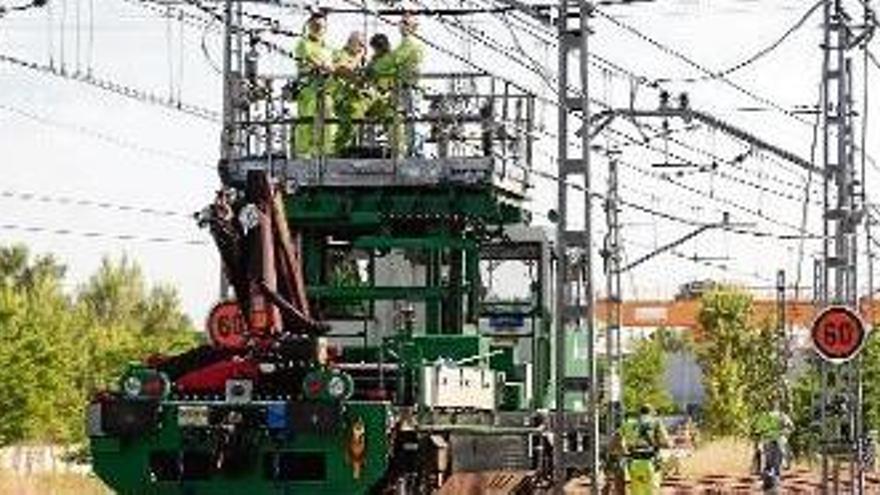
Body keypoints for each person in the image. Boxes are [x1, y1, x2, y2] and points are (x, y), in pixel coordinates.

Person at [293, 12, 334, 158]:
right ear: (309, 26)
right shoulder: (303, 44)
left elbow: (335, 64)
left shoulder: (328, 48)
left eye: (321, 26)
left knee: (328, 122)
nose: (318, 29)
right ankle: (303, 153)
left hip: (327, 89)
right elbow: (313, 61)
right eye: (315, 26)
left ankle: (327, 152)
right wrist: (326, 67)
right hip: (309, 89)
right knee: (307, 121)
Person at [609, 404, 670, 495]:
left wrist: (622, 451)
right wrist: (657, 444)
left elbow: (614, 442)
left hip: (634, 463)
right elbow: (667, 443)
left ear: (639, 413)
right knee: (652, 491)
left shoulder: (628, 423)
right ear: (651, 413)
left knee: (637, 490)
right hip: (651, 462)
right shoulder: (656, 422)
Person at [391, 12, 424, 156]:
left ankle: (415, 152)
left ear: (412, 27)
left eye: (405, 23)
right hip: (405, 86)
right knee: (408, 119)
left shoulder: (410, 42)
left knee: (412, 119)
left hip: (409, 86)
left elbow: (394, 59)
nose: (401, 26)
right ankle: (410, 150)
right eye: (401, 22)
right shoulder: (406, 42)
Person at [331, 31, 368, 155]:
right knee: (346, 128)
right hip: (342, 98)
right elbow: (342, 69)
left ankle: (354, 149)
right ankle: (338, 152)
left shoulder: (359, 57)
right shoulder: (341, 54)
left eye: (363, 45)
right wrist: (359, 58)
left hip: (356, 98)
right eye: (360, 44)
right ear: (351, 42)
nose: (361, 47)